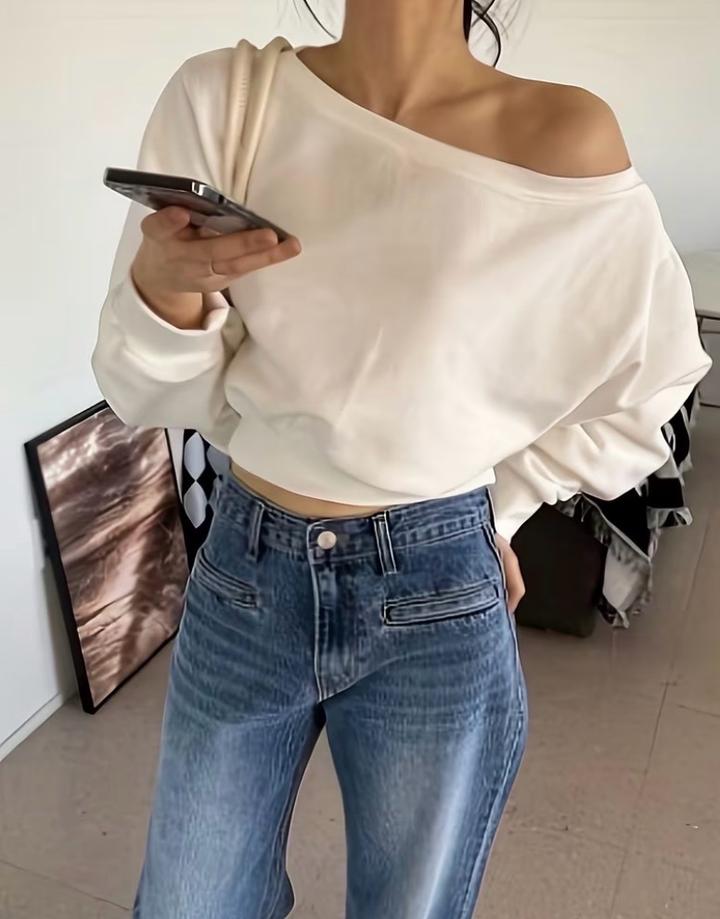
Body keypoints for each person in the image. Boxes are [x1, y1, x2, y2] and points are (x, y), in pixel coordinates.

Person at [91, 1, 711, 916]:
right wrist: (164, 290)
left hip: (437, 584)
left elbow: (650, 378)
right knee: (189, 900)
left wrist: (501, 507)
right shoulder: (226, 96)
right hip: (246, 572)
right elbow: (145, 391)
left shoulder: (562, 133)